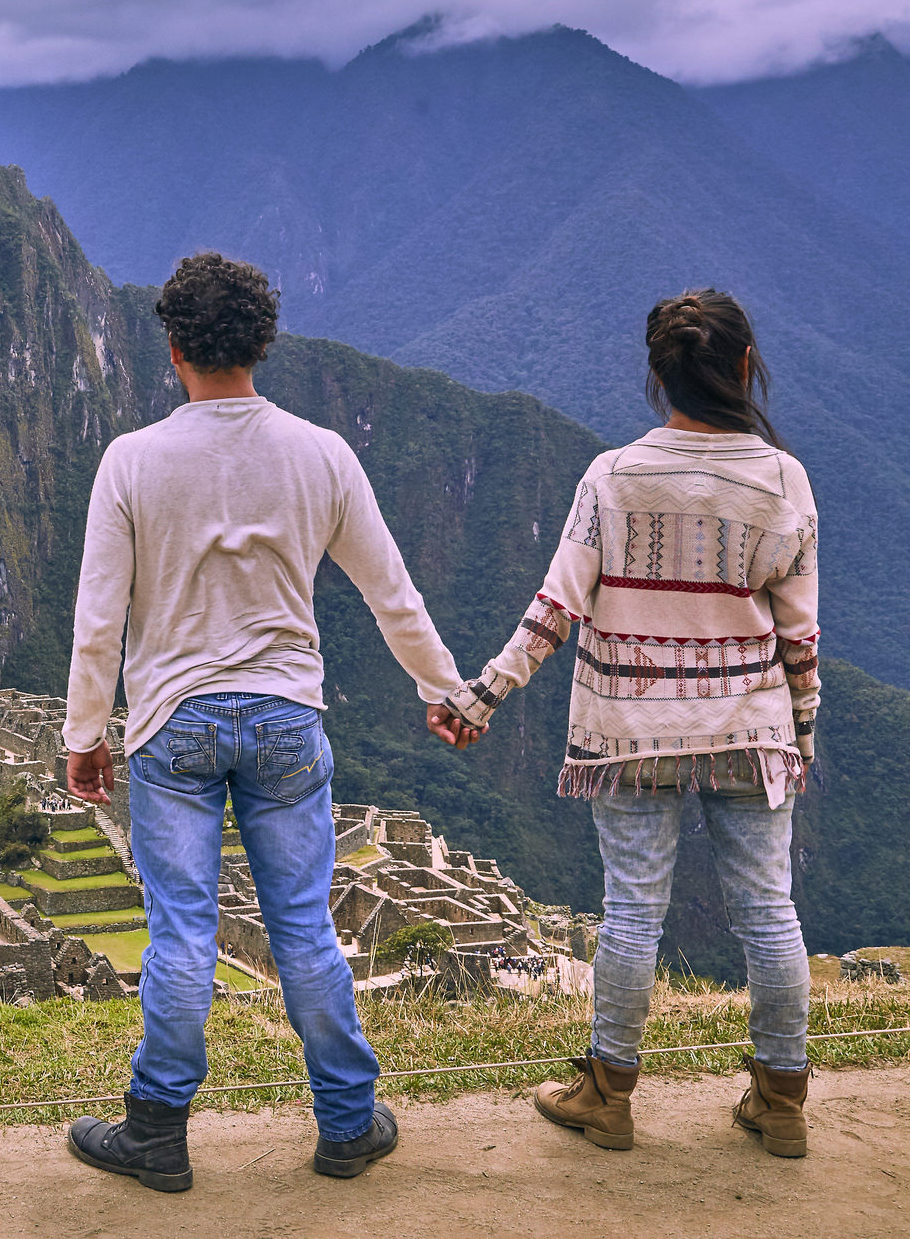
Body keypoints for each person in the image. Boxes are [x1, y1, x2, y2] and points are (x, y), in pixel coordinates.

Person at [63, 253, 470, 1192]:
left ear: (173, 350)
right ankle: (346, 1121)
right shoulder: (321, 452)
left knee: (181, 934)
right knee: (303, 929)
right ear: (263, 343)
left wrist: (86, 734)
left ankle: (158, 1131)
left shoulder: (131, 461)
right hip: (287, 717)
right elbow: (390, 594)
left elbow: (99, 618)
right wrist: (443, 690)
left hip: (172, 724)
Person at [442, 289, 819, 1159]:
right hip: (747, 726)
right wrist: (801, 736)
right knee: (769, 910)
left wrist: (481, 698)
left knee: (631, 912)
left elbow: (554, 608)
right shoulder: (783, 478)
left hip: (629, 727)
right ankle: (782, 1097)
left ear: (658, 377)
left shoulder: (611, 477)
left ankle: (608, 1093)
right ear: (742, 368)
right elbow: (799, 637)